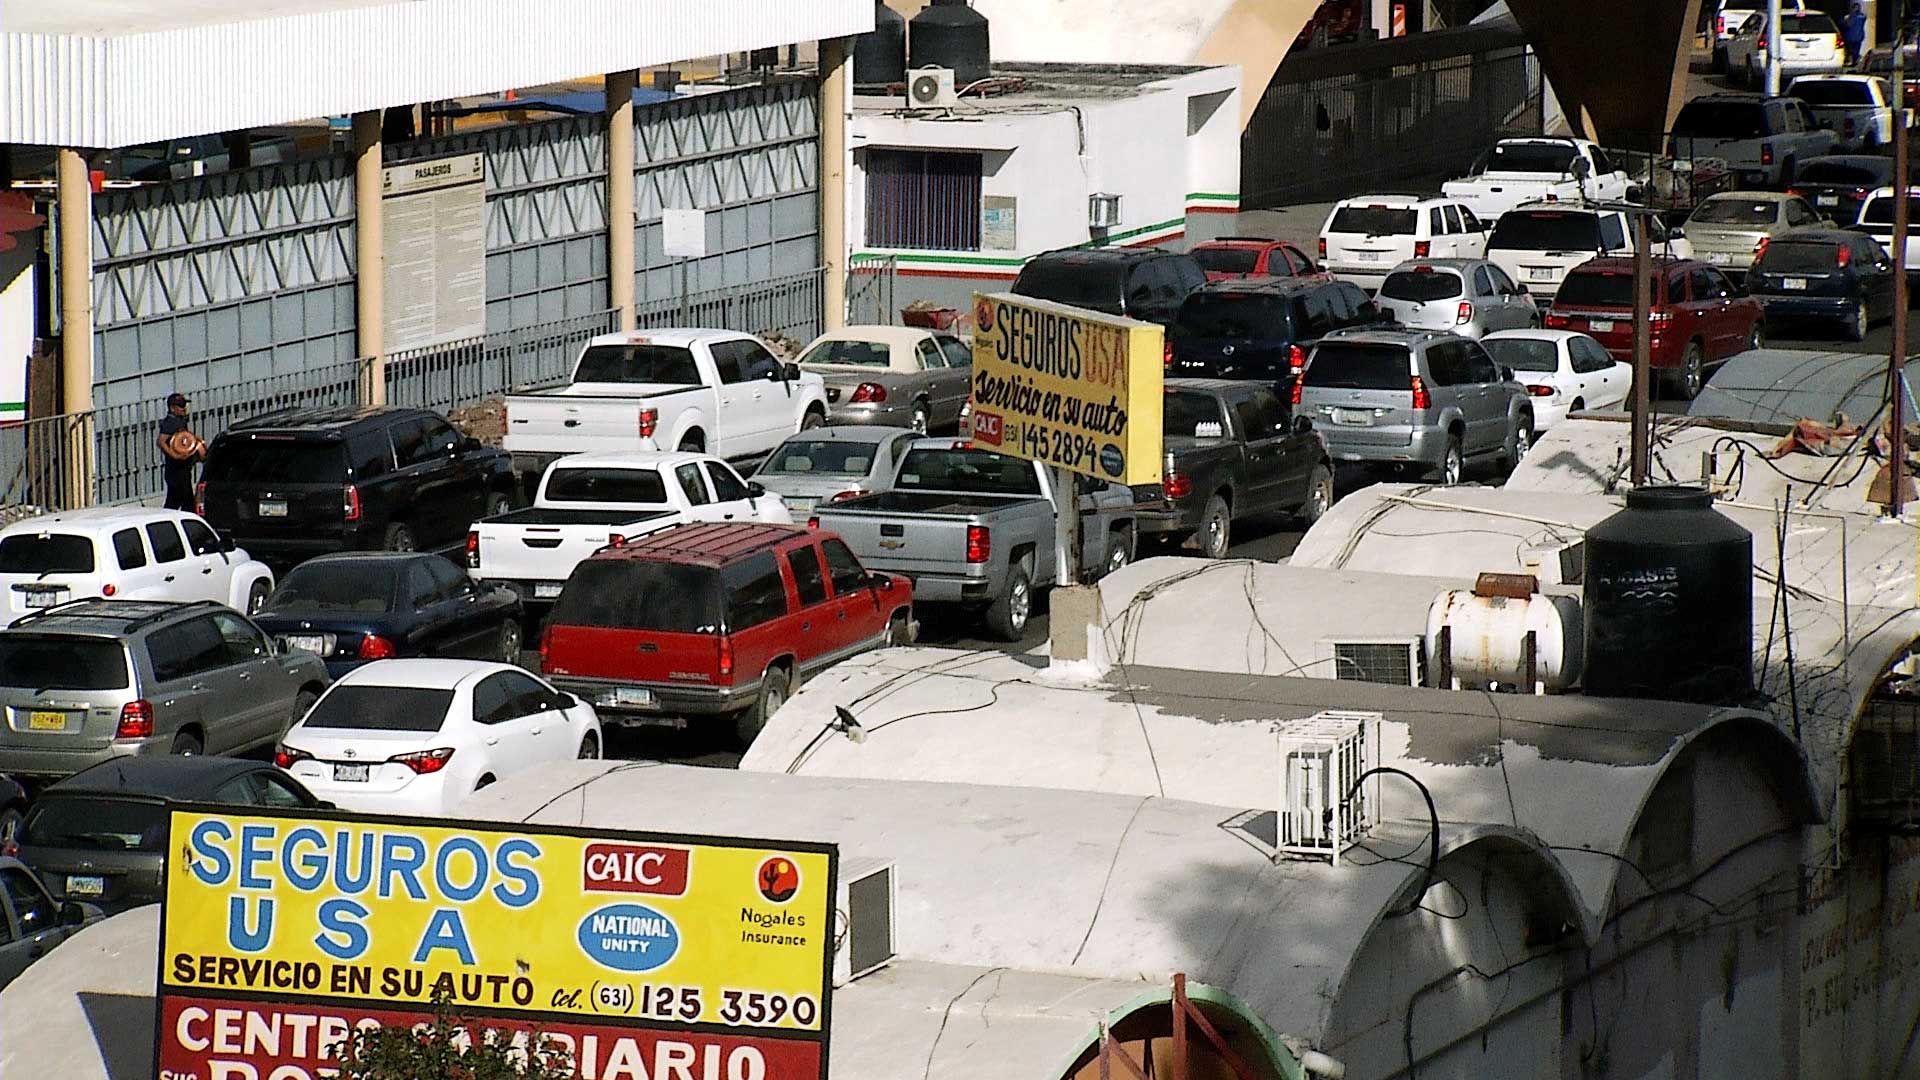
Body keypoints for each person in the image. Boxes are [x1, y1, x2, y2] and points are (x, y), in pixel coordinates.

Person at [156, 392, 206, 511]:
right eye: (181, 405)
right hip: (176, 471)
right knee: (184, 503)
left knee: (176, 502)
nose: (184, 408)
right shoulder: (170, 422)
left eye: (184, 405)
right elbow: (161, 441)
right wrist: (174, 455)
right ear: (172, 408)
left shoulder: (180, 420)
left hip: (182, 469)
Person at [1844, 3, 1868, 68]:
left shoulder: (1859, 17)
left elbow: (1847, 24)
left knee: (1854, 50)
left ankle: (1854, 61)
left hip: (1855, 37)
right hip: (1854, 37)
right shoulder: (1850, 17)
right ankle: (1854, 60)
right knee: (1853, 50)